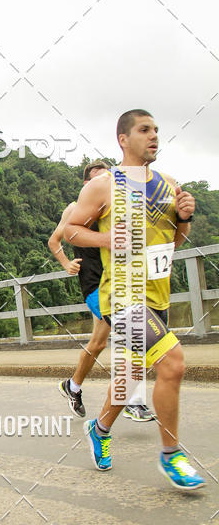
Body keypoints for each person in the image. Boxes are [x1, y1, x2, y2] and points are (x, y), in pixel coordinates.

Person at [64, 109, 205, 490]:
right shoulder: (103, 186)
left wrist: (184, 218)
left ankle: (99, 428)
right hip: (122, 295)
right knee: (173, 363)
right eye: (145, 130)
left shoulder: (168, 185)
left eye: (156, 130)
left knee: (130, 376)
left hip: (157, 295)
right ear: (123, 139)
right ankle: (172, 455)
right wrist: (106, 239)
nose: (154, 136)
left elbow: (174, 242)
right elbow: (71, 231)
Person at [49, 160, 154, 422]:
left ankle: (72, 386)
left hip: (117, 282)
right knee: (130, 332)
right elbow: (54, 241)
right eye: (97, 179)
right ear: (86, 184)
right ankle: (131, 400)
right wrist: (66, 263)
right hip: (94, 285)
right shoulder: (74, 209)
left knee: (97, 344)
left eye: (107, 177)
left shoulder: (114, 208)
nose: (103, 182)